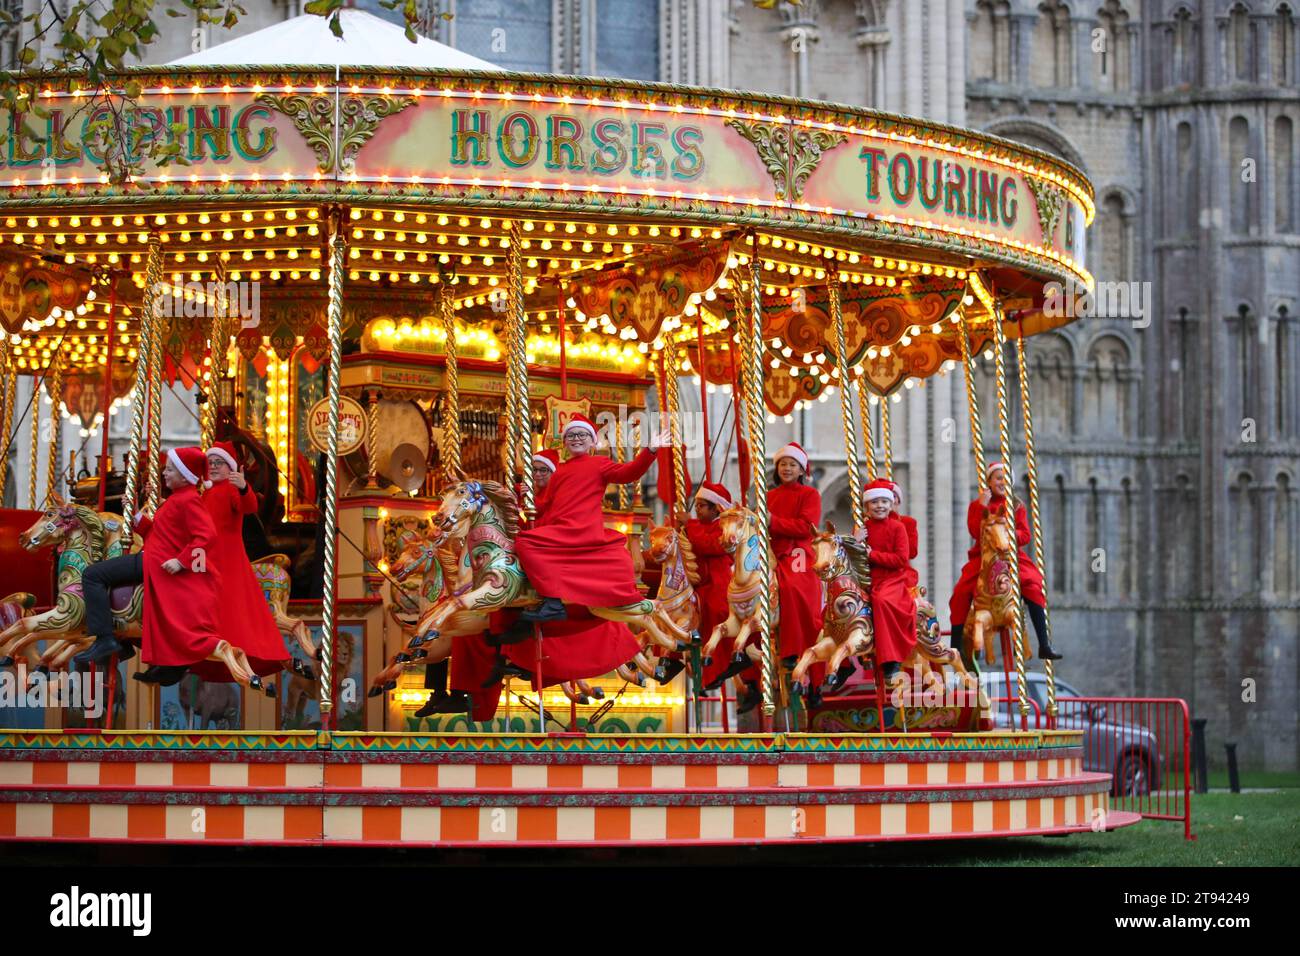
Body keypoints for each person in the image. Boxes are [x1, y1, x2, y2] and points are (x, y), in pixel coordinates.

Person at [415, 447, 563, 719]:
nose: (539, 475)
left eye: (544, 470)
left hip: (537, 561)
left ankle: (504, 662)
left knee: (466, 618)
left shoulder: (555, 500)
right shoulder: (521, 499)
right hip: (504, 559)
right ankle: (448, 691)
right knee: (455, 621)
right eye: (536, 470)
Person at [507, 413, 669, 636]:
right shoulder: (560, 472)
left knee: (525, 543)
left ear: (593, 441)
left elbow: (628, 473)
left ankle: (553, 601)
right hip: (560, 528)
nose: (576, 438)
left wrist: (650, 451)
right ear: (565, 442)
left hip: (581, 529)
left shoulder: (599, 464)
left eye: (582, 434)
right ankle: (549, 599)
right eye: (571, 435)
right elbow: (543, 506)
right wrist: (521, 496)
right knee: (523, 543)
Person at [76, 447, 225, 684]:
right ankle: (124, 643)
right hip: (154, 554)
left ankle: (104, 638)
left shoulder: (188, 500)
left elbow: (207, 536)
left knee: (92, 575)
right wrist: (135, 514)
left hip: (155, 560)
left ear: (185, 474)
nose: (164, 473)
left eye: (169, 469)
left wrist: (182, 561)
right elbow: (158, 533)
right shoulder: (177, 499)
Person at [948, 461, 1062, 664]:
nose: (1002, 482)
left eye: (1006, 479)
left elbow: (1026, 535)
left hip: (1011, 557)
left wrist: (1008, 534)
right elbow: (975, 531)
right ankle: (955, 646)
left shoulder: (1016, 506)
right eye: (998, 478)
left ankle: (1044, 644)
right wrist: (981, 505)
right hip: (984, 557)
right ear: (989, 482)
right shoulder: (978, 505)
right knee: (961, 592)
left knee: (1034, 586)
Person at [203, 441, 289, 684]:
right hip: (209, 556)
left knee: (231, 607)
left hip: (227, 556)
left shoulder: (231, 488)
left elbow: (248, 506)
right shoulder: (207, 491)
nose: (214, 467)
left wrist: (243, 487)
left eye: (218, 463)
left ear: (229, 466)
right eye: (210, 463)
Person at [680, 481, 760, 712]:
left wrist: (690, 525)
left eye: (703, 506)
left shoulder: (722, 526)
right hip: (699, 583)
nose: (698, 510)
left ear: (716, 508)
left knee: (717, 611)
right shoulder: (697, 525)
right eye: (696, 505)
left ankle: (726, 669)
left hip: (719, 581)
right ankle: (695, 667)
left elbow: (709, 546)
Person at [760, 442, 824, 687]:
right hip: (771, 553)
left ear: (801, 470)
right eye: (783, 464)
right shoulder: (769, 496)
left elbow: (806, 526)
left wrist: (773, 521)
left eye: (792, 465)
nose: (786, 469)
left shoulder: (810, 495)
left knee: (793, 588)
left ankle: (792, 651)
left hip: (798, 553)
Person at [859, 478, 917, 690]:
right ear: (867, 506)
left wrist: (872, 554)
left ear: (891, 504)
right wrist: (856, 542)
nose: (880, 506)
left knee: (881, 600)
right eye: (874, 502)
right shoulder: (863, 528)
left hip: (892, 579)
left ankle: (891, 661)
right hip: (869, 578)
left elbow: (901, 559)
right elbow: (855, 558)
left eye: (884, 501)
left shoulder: (898, 527)